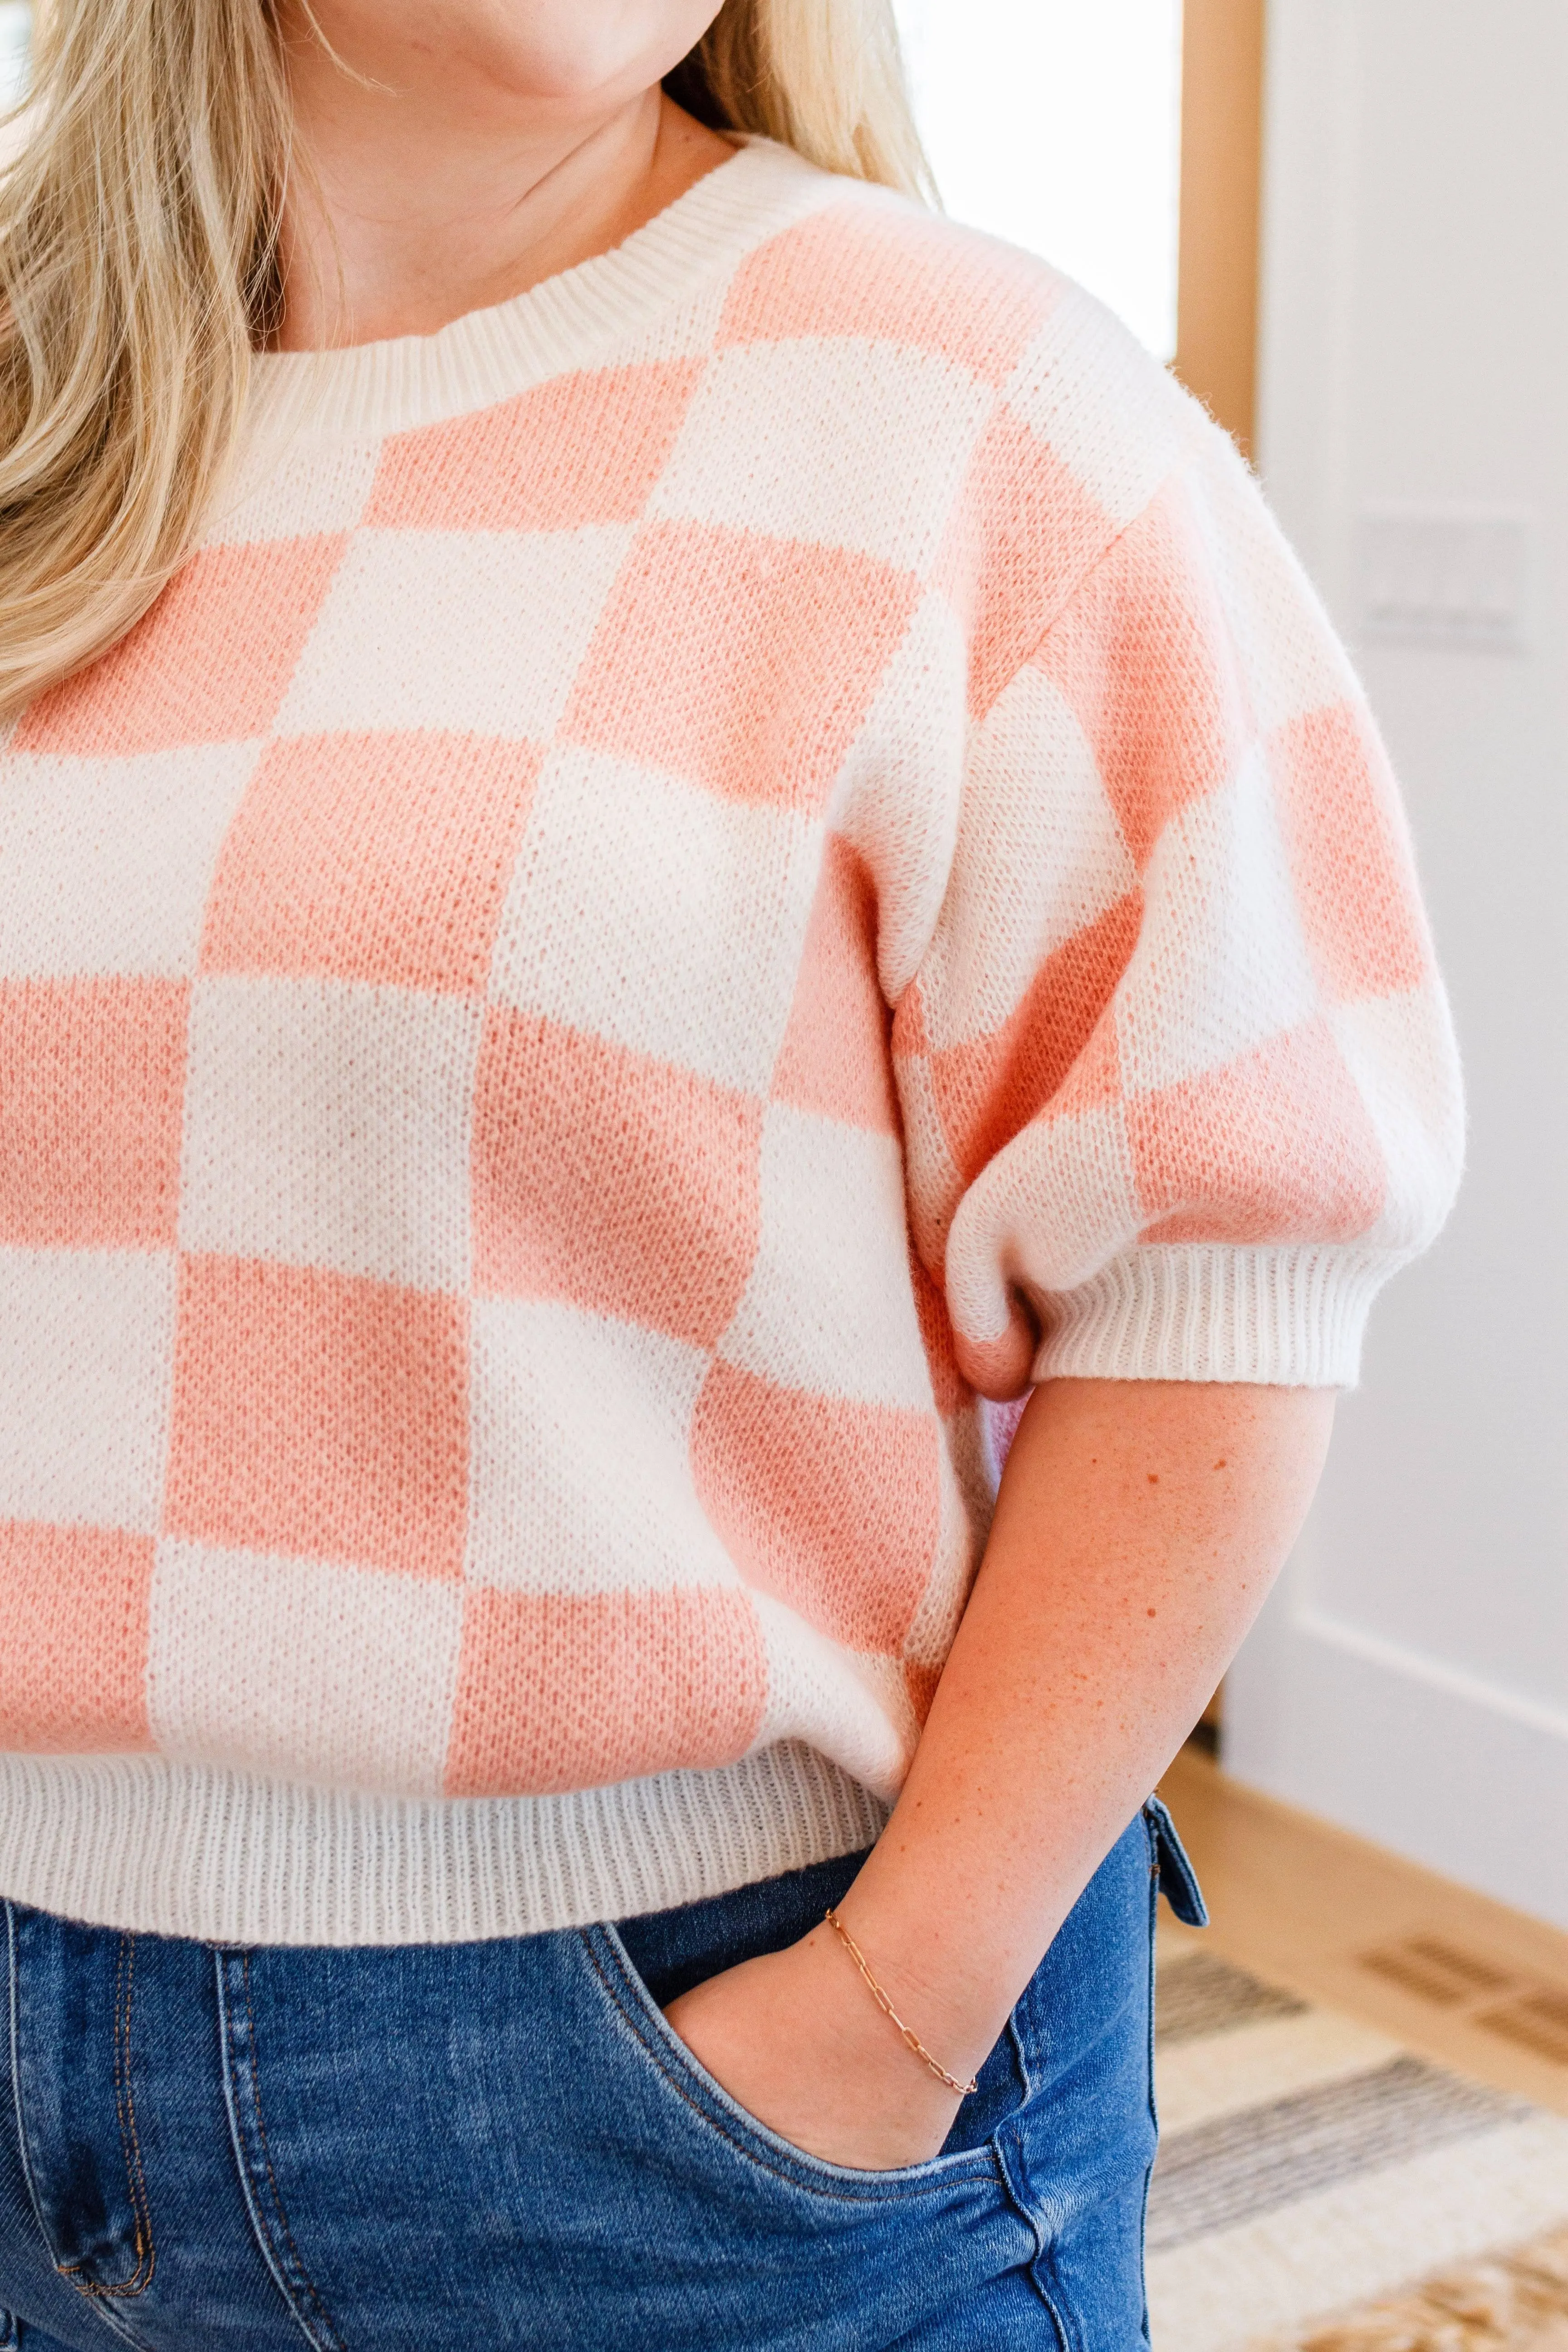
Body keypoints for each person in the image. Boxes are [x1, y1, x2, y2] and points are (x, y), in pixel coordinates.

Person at [0, 0, 1462, 2342]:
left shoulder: (968, 411)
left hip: (679, 2081)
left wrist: (887, 2020)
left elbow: (1229, 1265)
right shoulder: (32, 404)